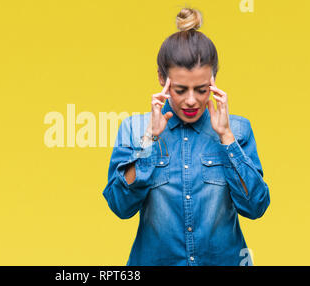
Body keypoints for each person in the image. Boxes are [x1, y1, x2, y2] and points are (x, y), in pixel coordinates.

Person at [102, 7, 270, 266]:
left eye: (201, 89)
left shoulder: (238, 130)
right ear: (162, 79)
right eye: (180, 90)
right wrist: (149, 141)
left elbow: (256, 206)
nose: (191, 100)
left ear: (213, 80)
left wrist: (226, 138)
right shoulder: (134, 130)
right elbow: (120, 206)